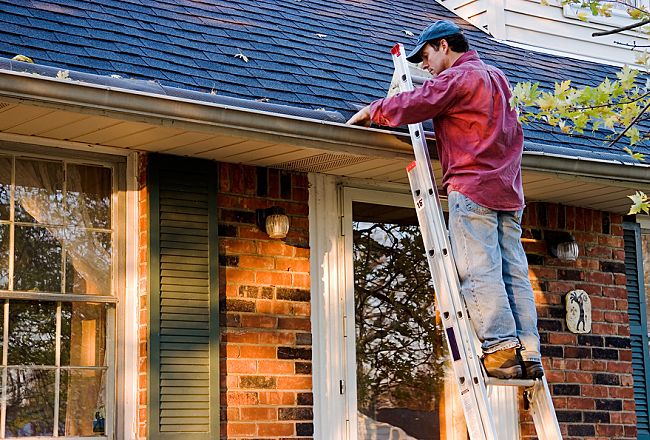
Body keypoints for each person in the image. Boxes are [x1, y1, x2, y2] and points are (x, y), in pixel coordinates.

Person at [346, 20, 543, 380]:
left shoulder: (459, 78)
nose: (423, 66)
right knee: (513, 272)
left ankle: (500, 350)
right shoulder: (498, 78)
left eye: (425, 55)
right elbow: (510, 136)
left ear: (443, 46)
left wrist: (374, 110)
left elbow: (420, 100)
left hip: (473, 190)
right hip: (508, 193)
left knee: (479, 270)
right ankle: (528, 351)